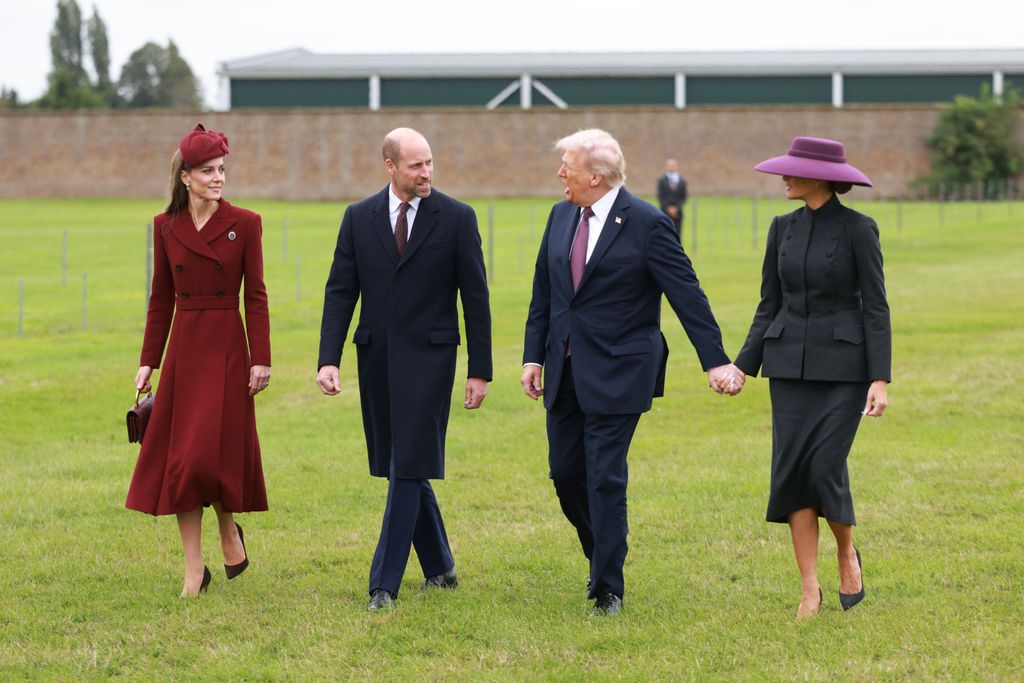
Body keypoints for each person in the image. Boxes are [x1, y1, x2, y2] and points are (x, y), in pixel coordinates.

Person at [521, 129, 742, 617]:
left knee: (604, 476)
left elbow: (686, 293)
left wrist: (716, 359)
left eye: (568, 166)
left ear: (596, 175)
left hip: (621, 371)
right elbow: (546, 294)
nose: (561, 173)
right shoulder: (560, 216)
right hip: (564, 369)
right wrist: (533, 356)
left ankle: (607, 588)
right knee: (565, 474)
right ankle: (599, 553)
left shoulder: (647, 224)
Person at [317, 127, 492, 612]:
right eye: (416, 165)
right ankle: (439, 567)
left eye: (430, 162)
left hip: (432, 361)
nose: (426, 172)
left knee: (407, 464)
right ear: (391, 167)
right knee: (401, 466)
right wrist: (328, 358)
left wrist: (480, 369)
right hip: (376, 361)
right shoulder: (358, 218)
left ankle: (383, 586)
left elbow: (475, 298)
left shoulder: (457, 218)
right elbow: (340, 292)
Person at [733, 136, 891, 619]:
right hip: (788, 368)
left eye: (793, 170)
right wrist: (743, 365)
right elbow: (768, 305)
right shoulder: (781, 229)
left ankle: (846, 553)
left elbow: (876, 307)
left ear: (821, 178)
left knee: (823, 466)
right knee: (793, 475)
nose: (784, 177)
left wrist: (879, 379)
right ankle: (809, 589)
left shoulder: (860, 230)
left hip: (844, 370)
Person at [126, 123, 271, 597]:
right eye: (208, 170)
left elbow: (257, 297)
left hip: (229, 346)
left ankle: (229, 529)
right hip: (184, 349)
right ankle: (195, 568)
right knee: (184, 462)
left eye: (222, 169)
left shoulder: (246, 222)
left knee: (215, 455)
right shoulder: (164, 226)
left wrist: (261, 359)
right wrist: (149, 360)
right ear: (185, 177)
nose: (218, 177)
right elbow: (160, 297)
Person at [656, 158, 688, 240]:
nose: (671, 167)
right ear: (667, 166)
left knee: (678, 235)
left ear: (676, 166)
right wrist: (668, 208)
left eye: (673, 165)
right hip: (665, 212)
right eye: (670, 165)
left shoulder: (682, 181)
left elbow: (683, 196)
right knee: (665, 234)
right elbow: (660, 196)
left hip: (678, 213)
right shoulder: (661, 180)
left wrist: (676, 208)